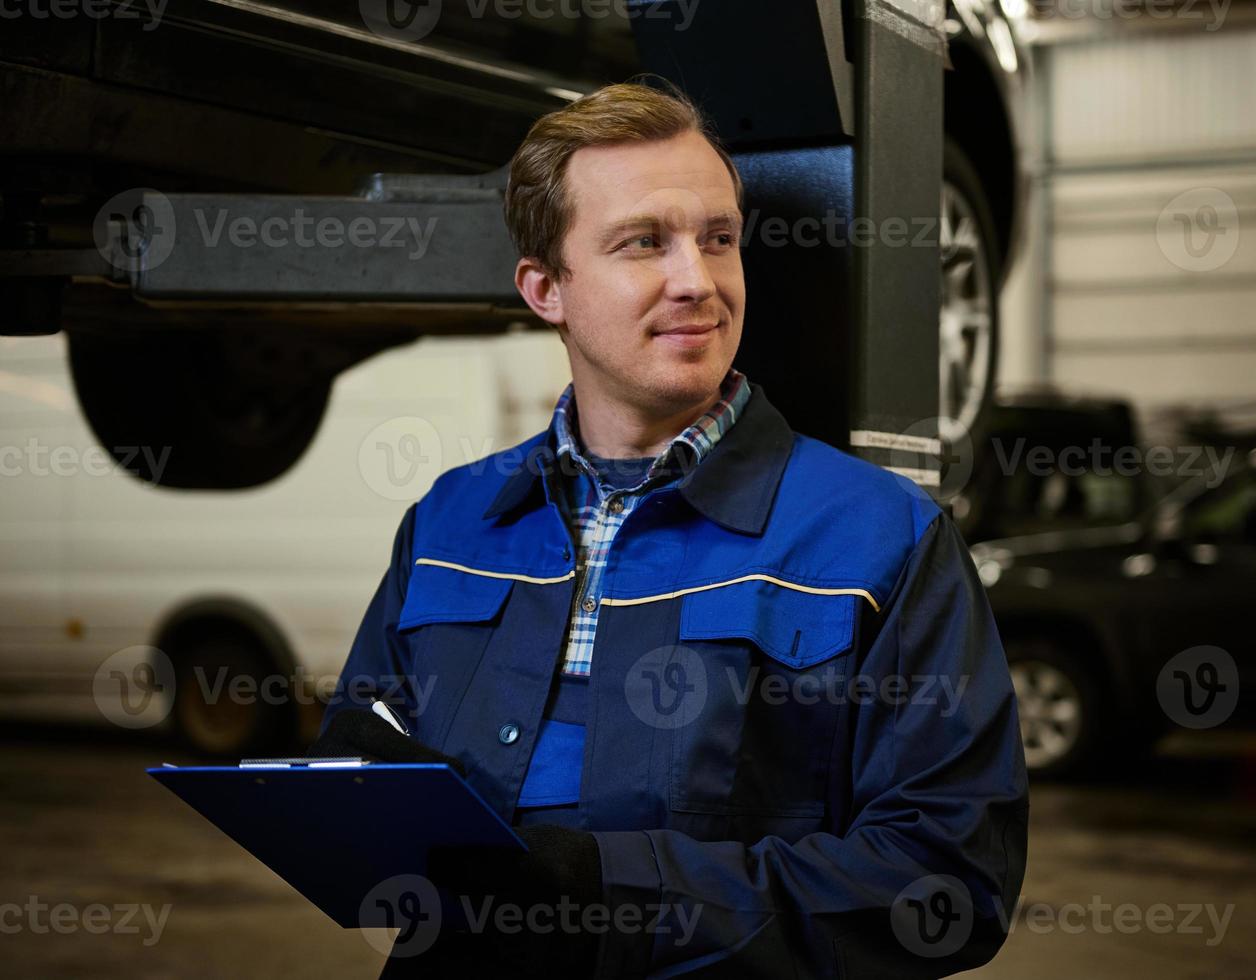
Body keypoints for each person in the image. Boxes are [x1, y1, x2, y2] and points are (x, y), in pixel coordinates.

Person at [313, 79, 1028, 978]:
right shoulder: (449, 521)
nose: (698, 280)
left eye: (718, 239)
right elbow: (362, 737)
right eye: (644, 243)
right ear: (545, 289)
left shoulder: (884, 541)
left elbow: (949, 882)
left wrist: (612, 897)